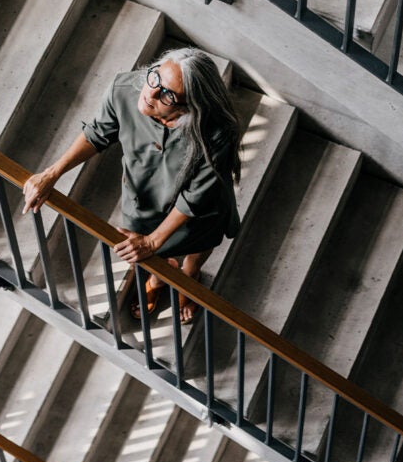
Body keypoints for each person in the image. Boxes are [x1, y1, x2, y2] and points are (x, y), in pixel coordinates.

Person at [22, 47, 242, 323]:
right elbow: (97, 134)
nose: (150, 93)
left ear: (190, 106)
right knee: (153, 251)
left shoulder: (217, 132)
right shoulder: (124, 89)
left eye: (168, 95)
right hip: (143, 196)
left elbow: (195, 198)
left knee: (196, 246)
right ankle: (160, 279)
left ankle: (190, 275)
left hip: (196, 209)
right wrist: (52, 173)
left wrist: (151, 242)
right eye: (155, 79)